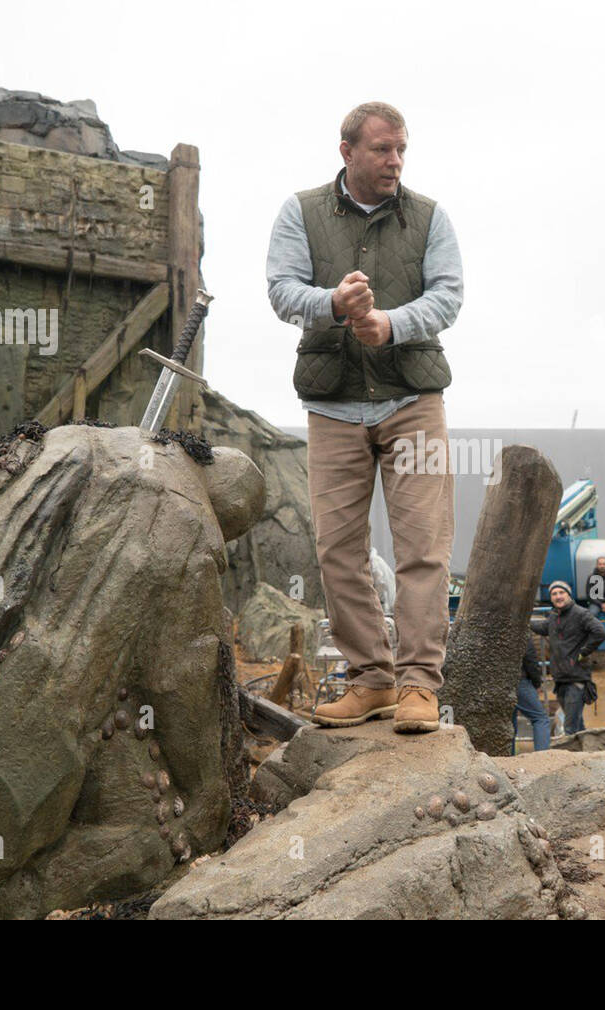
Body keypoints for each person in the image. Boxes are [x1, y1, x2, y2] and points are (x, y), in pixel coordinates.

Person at [266, 101, 463, 734]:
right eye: (382, 149)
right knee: (337, 551)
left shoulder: (430, 216)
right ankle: (372, 680)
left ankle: (418, 687)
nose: (396, 161)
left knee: (423, 547)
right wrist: (332, 302)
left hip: (413, 402)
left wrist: (393, 325)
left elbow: (449, 294)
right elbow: (280, 290)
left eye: (402, 149)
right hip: (333, 406)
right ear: (347, 151)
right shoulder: (299, 212)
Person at [530, 580, 605, 735]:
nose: (558, 597)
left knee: (570, 727)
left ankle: (572, 758)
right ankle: (587, 752)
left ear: (568, 595)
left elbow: (600, 632)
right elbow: (542, 628)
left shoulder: (580, 613)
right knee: (577, 724)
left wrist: (583, 653)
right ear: (551, 598)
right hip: (560, 678)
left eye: (561, 593)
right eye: (554, 594)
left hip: (576, 679)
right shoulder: (553, 617)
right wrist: (523, 620)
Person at [514, 637, 551, 752]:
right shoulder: (520, 631)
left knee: (509, 722)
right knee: (541, 718)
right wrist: (537, 683)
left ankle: (508, 758)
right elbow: (530, 660)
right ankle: (542, 757)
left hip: (496, 683)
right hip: (520, 681)